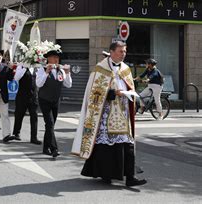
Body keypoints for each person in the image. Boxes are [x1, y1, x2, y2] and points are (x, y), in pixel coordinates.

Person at [72, 41, 147, 187]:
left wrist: (132, 96)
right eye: (120, 51)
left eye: (125, 51)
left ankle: (130, 177)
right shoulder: (100, 69)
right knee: (106, 146)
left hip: (123, 113)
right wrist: (112, 93)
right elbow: (94, 93)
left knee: (128, 143)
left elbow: (129, 85)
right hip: (105, 114)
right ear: (111, 52)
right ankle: (106, 174)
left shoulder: (125, 68)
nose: (123, 54)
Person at [36, 48, 72, 157]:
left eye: (57, 57)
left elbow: (68, 84)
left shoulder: (60, 70)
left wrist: (68, 73)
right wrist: (46, 72)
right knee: (50, 123)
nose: (56, 59)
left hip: (56, 100)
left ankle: (45, 147)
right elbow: (39, 84)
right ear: (48, 59)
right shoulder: (42, 69)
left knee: (50, 125)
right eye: (54, 57)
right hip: (44, 99)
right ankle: (54, 149)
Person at [12, 64, 41, 145]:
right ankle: (16, 133)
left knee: (34, 116)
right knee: (19, 114)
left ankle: (34, 137)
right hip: (22, 95)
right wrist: (24, 67)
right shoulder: (21, 67)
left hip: (33, 96)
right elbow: (16, 78)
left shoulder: (37, 67)